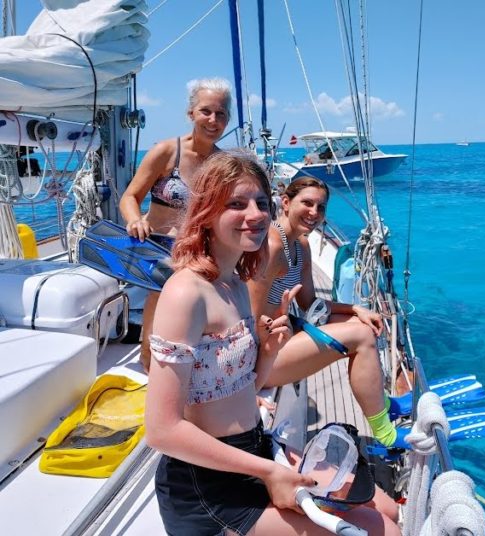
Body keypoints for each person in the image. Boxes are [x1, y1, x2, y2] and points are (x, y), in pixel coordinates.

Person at [146, 151, 398, 536]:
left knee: (384, 510)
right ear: (206, 212)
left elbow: (242, 386)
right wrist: (270, 472)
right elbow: (161, 431)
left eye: (260, 203)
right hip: (208, 486)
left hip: (254, 448)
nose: (256, 214)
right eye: (236, 203)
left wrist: (267, 352)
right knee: (384, 532)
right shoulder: (186, 293)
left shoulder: (234, 284)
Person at [246, 177, 408, 453]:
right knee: (361, 335)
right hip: (260, 359)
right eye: (306, 203)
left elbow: (309, 303)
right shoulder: (272, 246)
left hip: (282, 339)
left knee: (361, 323)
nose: (314, 213)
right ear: (285, 203)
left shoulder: (300, 245)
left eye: (320, 207)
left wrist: (355, 309)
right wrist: (247, 389)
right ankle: (385, 434)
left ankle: (380, 402)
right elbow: (248, 319)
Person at [119, 78, 232, 373]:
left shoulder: (223, 164)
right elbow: (130, 196)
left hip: (197, 254)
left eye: (221, 114)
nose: (213, 119)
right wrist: (134, 220)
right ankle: (149, 367)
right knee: (157, 315)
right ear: (190, 114)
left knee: (194, 319)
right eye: (206, 111)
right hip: (159, 252)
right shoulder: (167, 152)